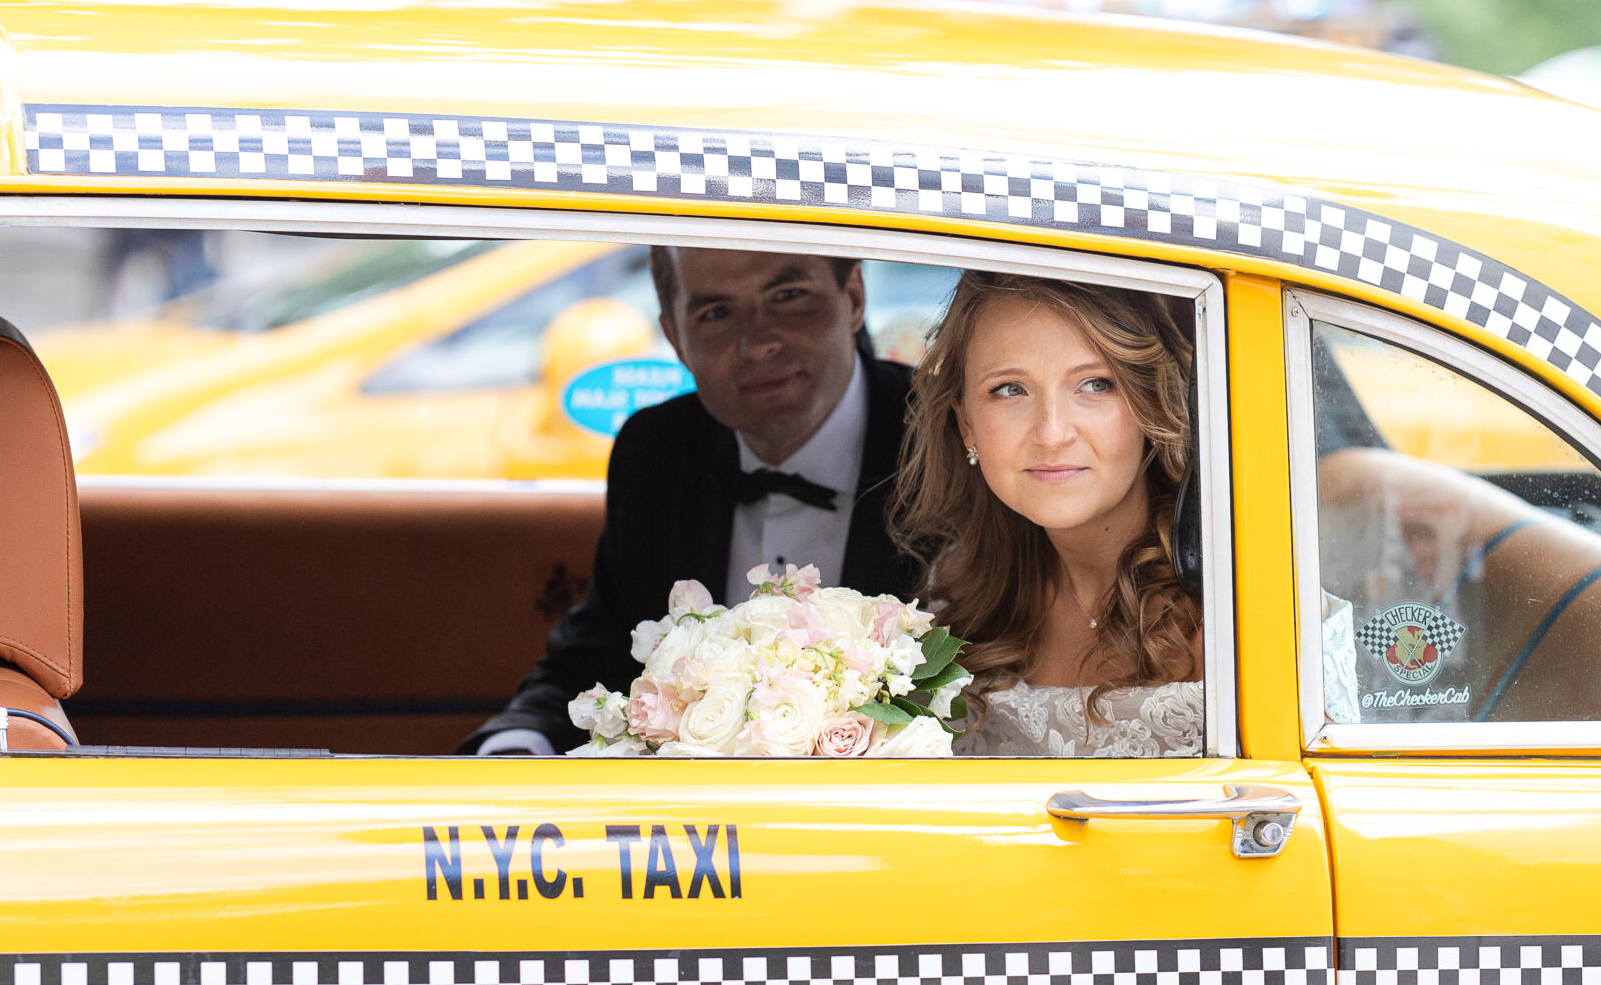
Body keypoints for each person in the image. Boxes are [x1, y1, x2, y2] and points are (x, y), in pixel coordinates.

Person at [467, 245, 919, 755]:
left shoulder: (945, 439)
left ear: (853, 297)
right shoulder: (658, 450)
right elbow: (597, 655)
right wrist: (515, 746)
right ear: (676, 338)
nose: (757, 342)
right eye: (717, 313)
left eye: (788, 296)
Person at [891, 268, 1206, 759]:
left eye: (1095, 384)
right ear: (966, 425)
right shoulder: (955, 596)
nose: (1052, 433)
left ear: (1150, 402)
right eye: (1010, 390)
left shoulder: (1239, 600)